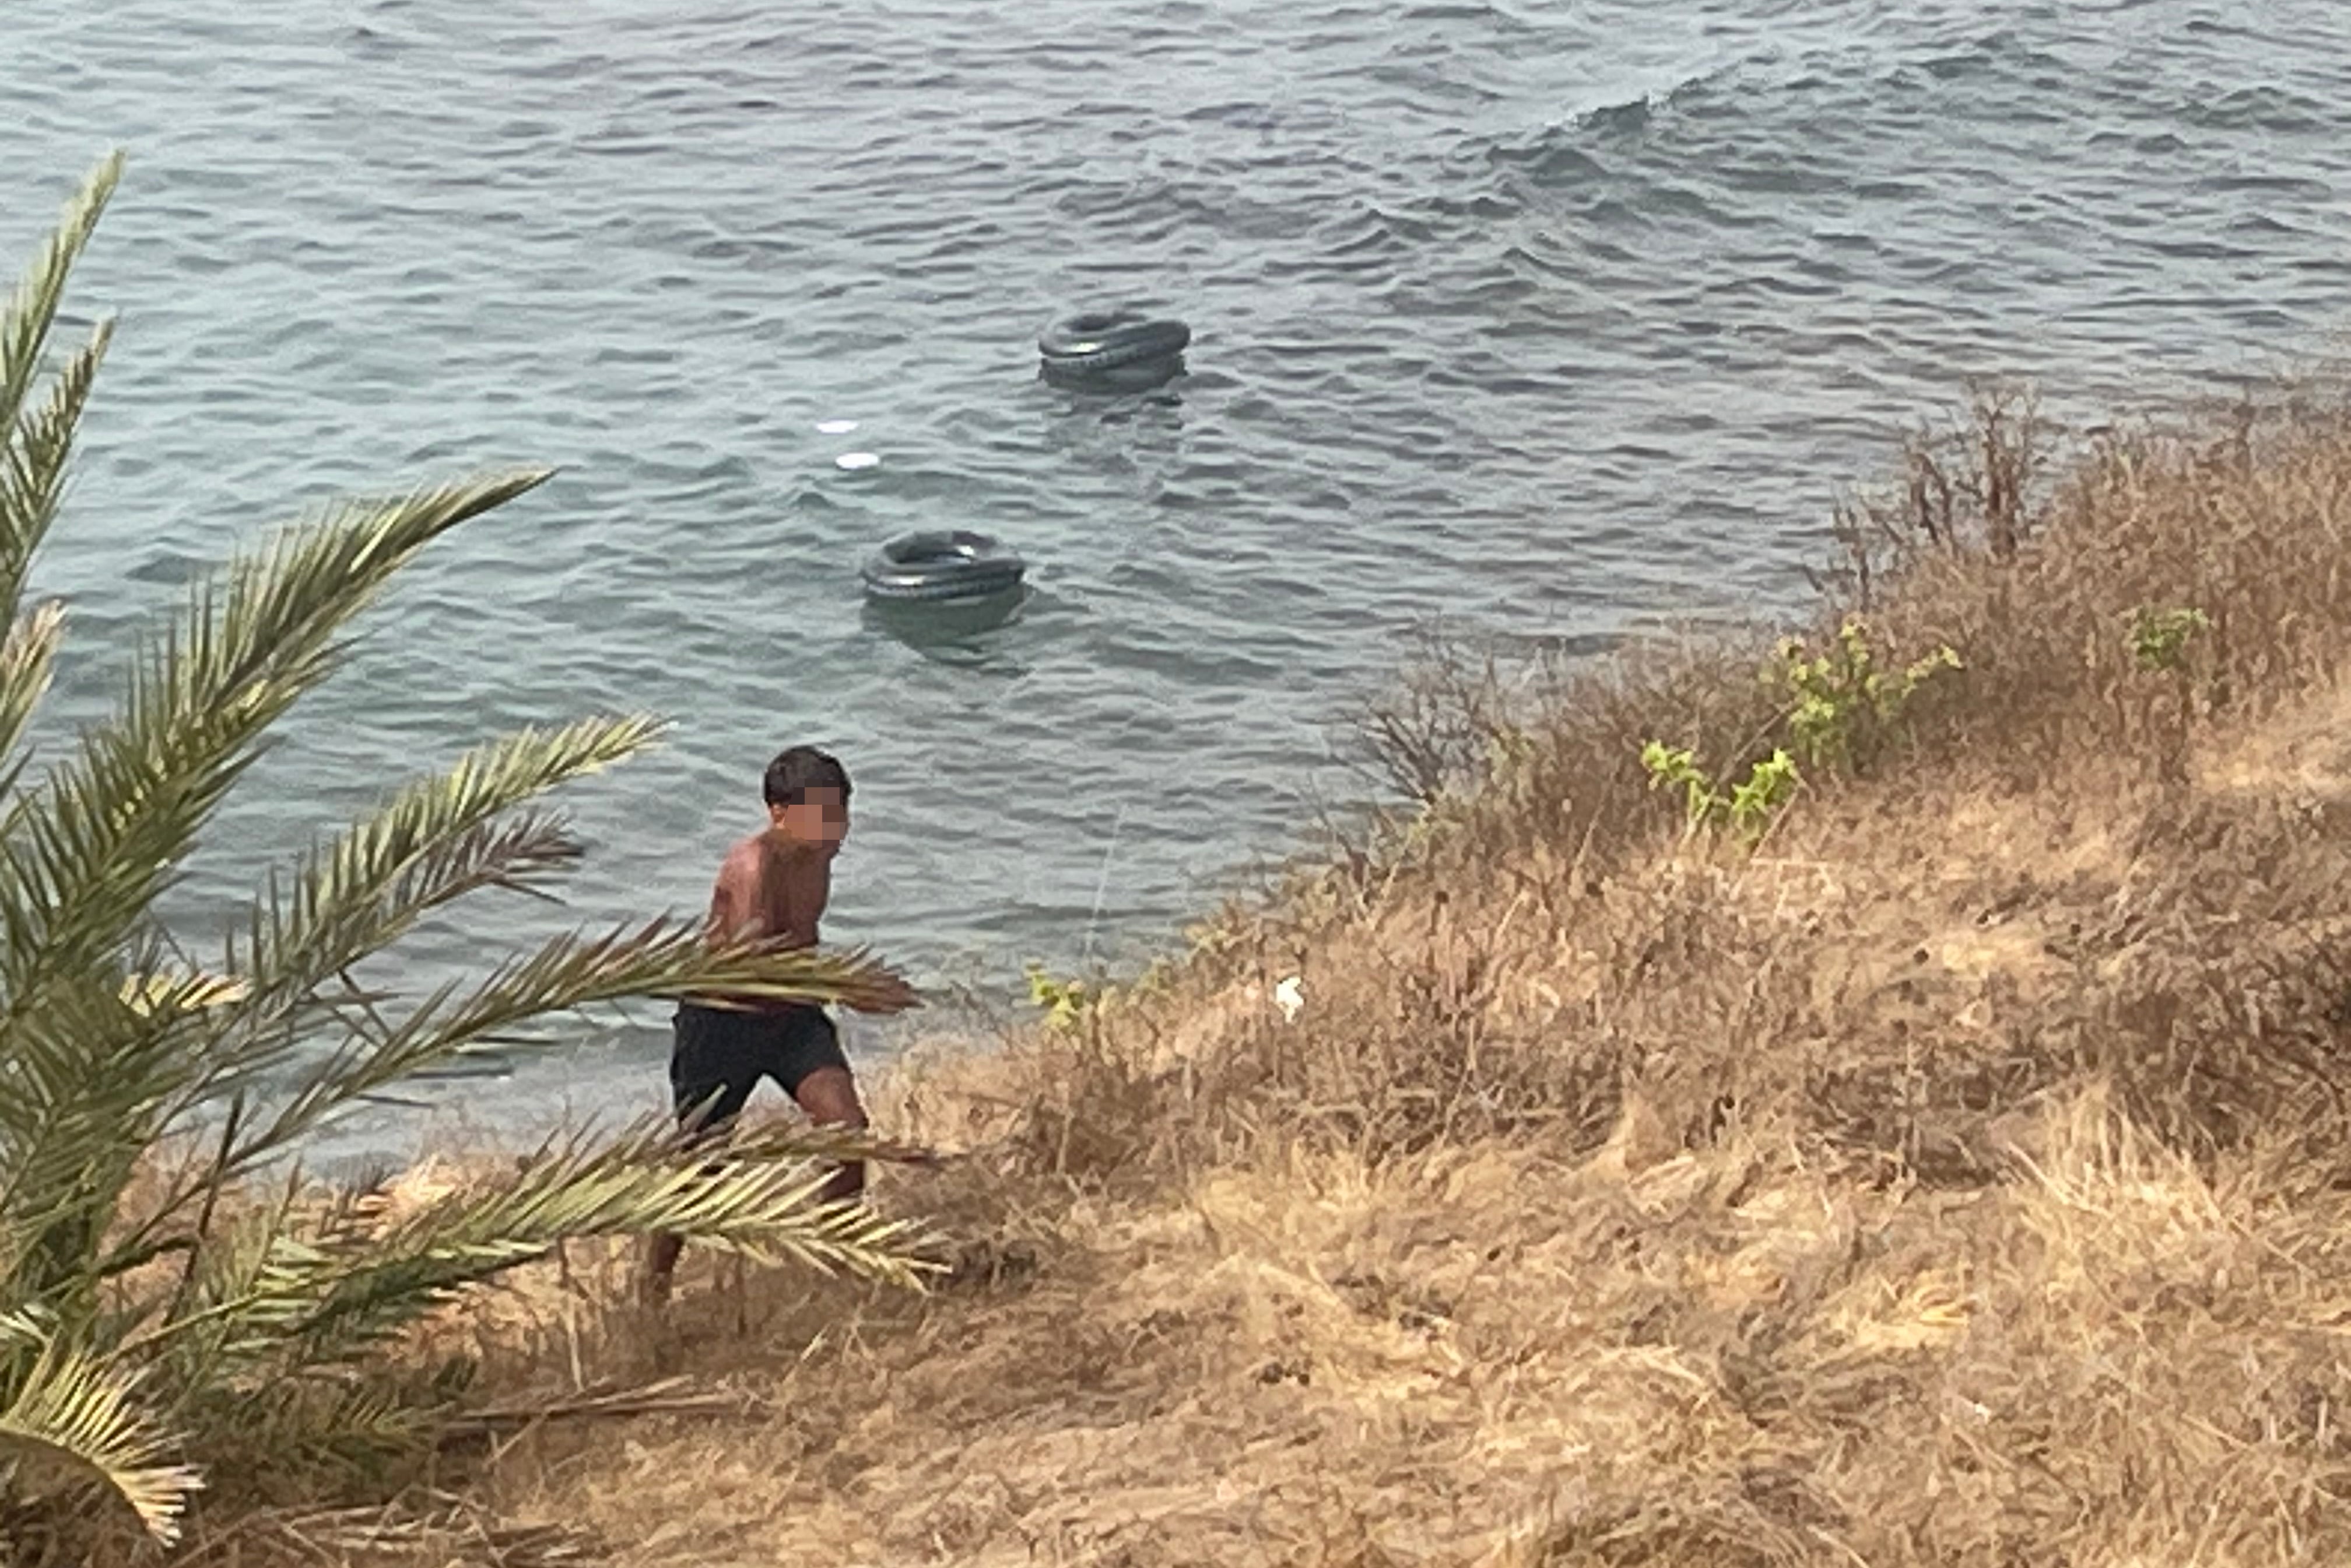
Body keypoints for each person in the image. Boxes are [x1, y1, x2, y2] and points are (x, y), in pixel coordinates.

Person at [640, 744, 872, 1307]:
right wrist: (844, 984)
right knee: (701, 1163)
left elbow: (801, 942)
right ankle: (652, 1287)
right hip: (722, 1022)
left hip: (791, 1018)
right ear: (777, 812)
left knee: (849, 1131)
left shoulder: (819, 857)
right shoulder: (751, 865)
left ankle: (831, 1265)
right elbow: (754, 965)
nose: (834, 830)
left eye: (840, 813)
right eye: (821, 815)